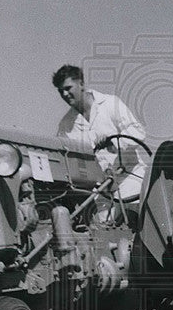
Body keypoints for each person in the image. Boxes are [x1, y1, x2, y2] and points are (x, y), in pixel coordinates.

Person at [52, 64, 149, 216]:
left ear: (81, 83)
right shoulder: (65, 126)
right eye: (60, 91)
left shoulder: (111, 104)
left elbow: (138, 131)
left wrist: (113, 143)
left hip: (130, 178)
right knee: (102, 231)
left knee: (135, 220)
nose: (64, 94)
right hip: (100, 191)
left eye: (68, 88)